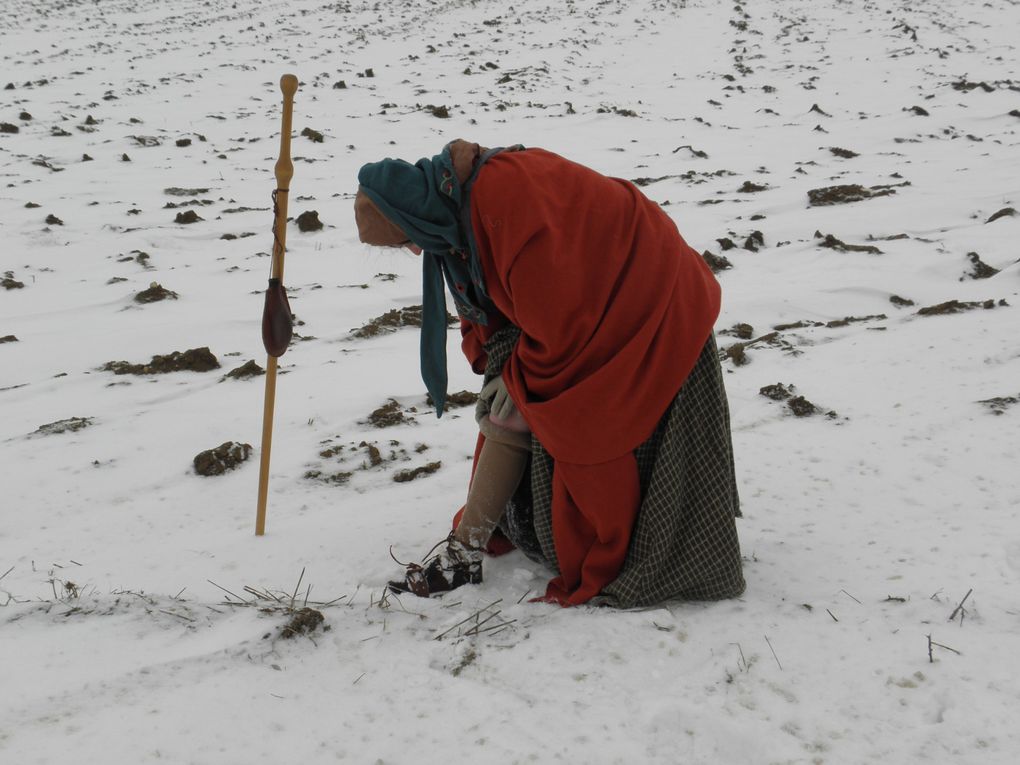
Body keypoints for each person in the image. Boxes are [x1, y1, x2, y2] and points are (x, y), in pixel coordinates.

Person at [353, 140, 744, 607]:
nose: (417, 252)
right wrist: (503, 369)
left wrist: (516, 380)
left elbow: (560, 321)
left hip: (650, 294)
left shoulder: (504, 201)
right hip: (588, 300)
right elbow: (498, 305)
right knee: (509, 402)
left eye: (407, 240)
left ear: (414, 218)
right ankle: (466, 550)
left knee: (545, 412)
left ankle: (471, 552)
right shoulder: (453, 208)